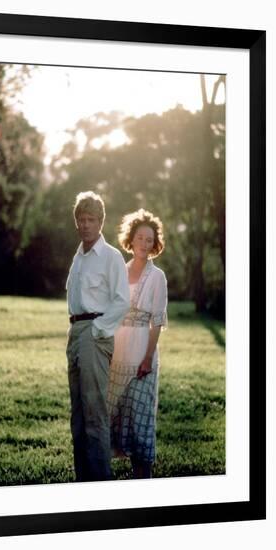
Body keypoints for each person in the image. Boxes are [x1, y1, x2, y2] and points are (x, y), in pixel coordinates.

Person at [66, 191, 130, 482]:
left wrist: (98, 330)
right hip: (76, 332)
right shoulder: (78, 258)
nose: (86, 224)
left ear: (101, 222)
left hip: (95, 333)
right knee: (78, 416)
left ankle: (101, 484)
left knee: (94, 414)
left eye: (92, 219)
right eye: (82, 219)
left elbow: (121, 301)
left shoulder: (110, 257)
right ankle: (83, 482)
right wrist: (80, 332)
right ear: (76, 222)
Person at [107, 208, 167, 479]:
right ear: (130, 240)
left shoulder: (158, 277)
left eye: (149, 239)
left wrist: (147, 358)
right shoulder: (119, 270)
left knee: (140, 421)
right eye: (140, 237)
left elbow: (157, 321)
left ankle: (144, 480)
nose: (144, 243)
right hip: (118, 353)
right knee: (116, 417)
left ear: (154, 245)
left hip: (142, 355)